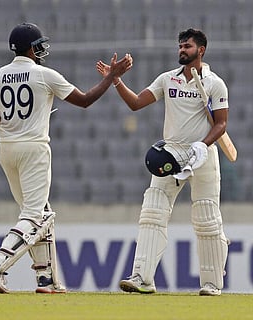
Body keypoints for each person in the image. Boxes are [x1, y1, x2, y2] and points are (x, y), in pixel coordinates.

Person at [0, 22, 133, 294]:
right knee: (35, 215)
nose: (41, 50)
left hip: (6, 151)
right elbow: (85, 100)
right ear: (30, 48)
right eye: (38, 45)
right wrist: (112, 77)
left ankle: (46, 279)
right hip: (34, 149)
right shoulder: (43, 74)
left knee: (41, 213)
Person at [96, 28, 229, 296]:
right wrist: (116, 81)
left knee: (206, 218)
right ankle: (142, 278)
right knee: (152, 211)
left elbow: (222, 124)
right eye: (180, 45)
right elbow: (136, 103)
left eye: (187, 46)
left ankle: (211, 284)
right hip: (171, 153)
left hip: (202, 156)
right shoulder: (168, 79)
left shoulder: (215, 83)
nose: (182, 49)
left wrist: (203, 146)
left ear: (200, 50)